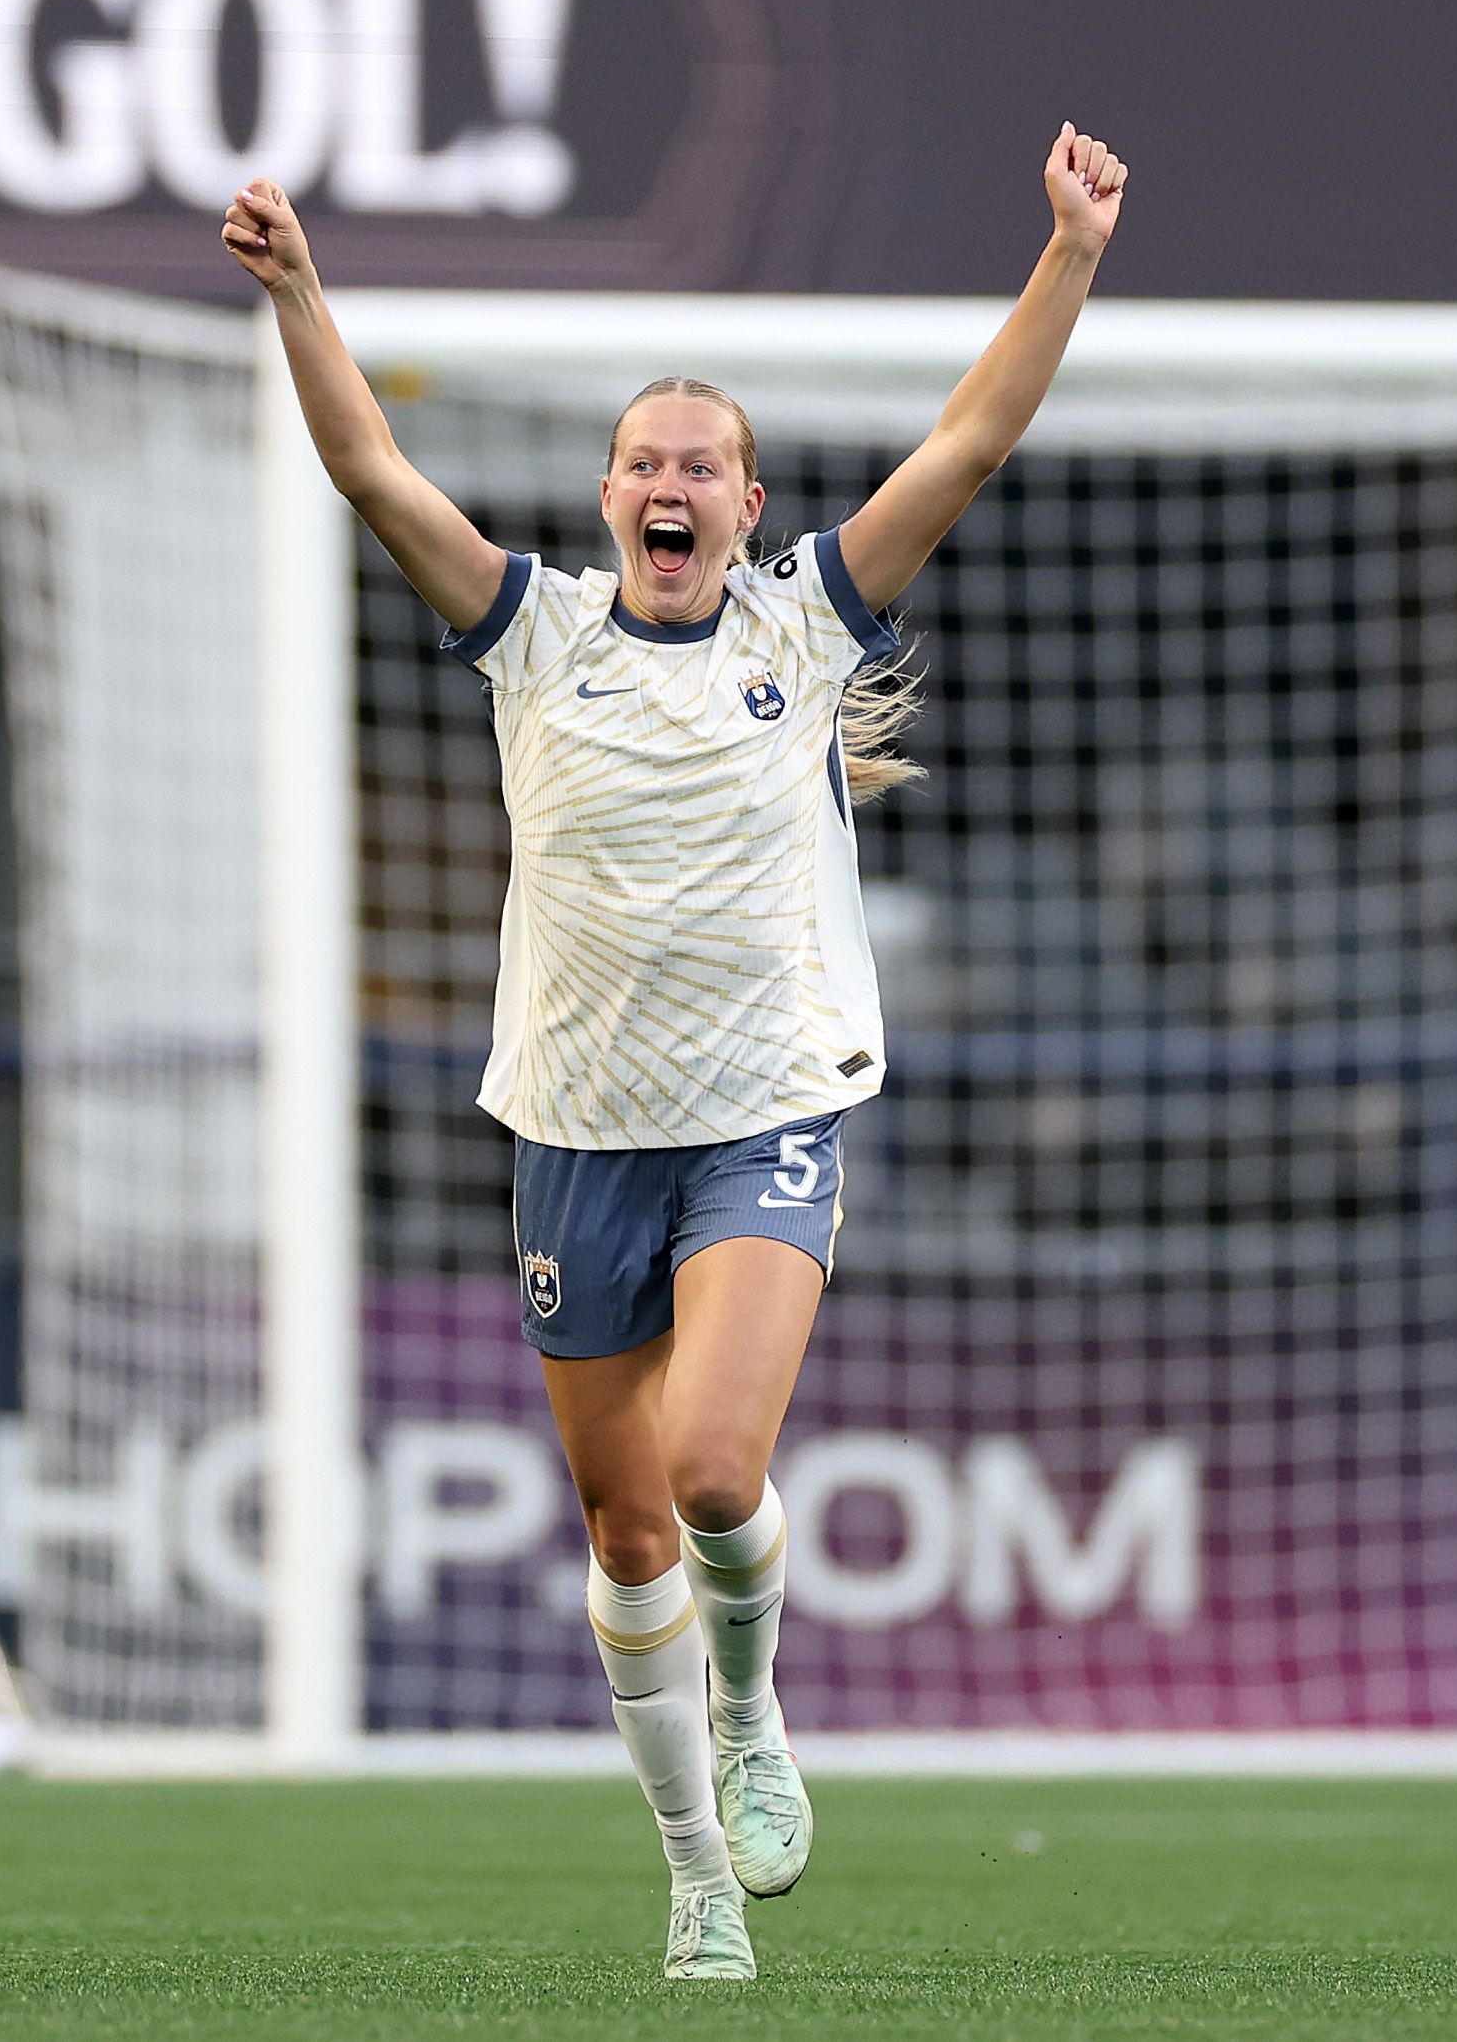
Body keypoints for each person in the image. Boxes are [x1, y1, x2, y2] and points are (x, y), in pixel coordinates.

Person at [223, 124, 1128, 1980]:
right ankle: (693, 1867)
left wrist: (1068, 258)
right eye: (645, 457)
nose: (672, 481)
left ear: (744, 498)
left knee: (719, 1474)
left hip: (765, 1116)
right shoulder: (533, 636)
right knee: (626, 1531)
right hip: (574, 1129)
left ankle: (758, 1713)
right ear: (610, 488)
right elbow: (365, 464)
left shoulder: (804, 616)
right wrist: (308, 297)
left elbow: (964, 446)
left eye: (701, 462)